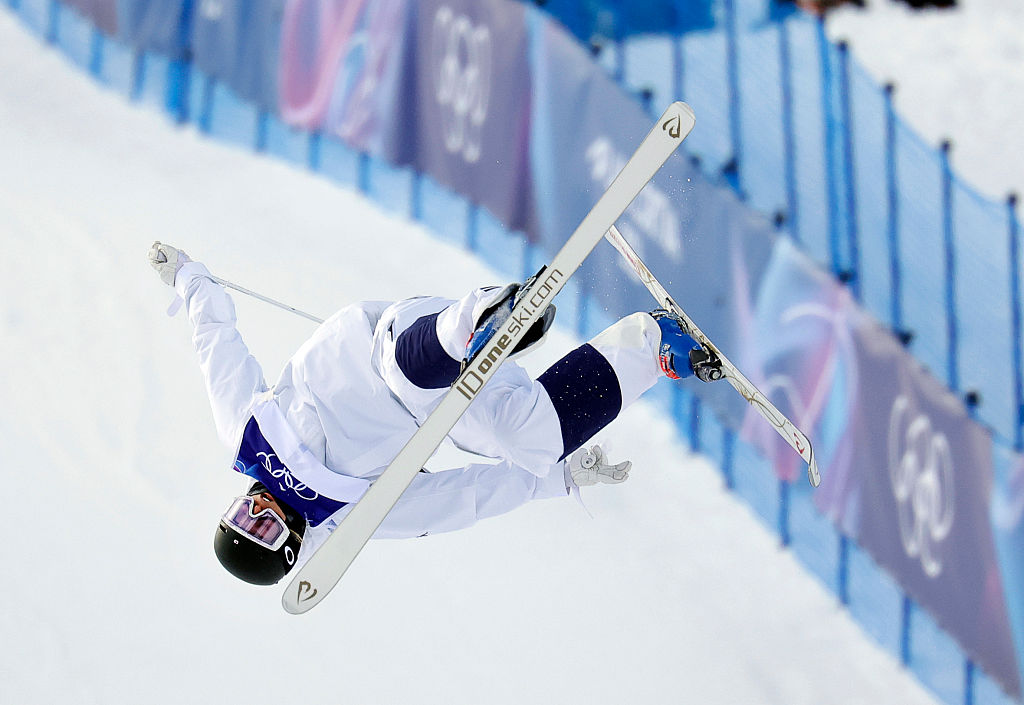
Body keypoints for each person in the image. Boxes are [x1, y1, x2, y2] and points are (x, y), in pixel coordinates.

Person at [148, 241, 722, 586]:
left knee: (405, 377)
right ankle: (654, 344)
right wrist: (562, 476)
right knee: (534, 441)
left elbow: (218, 348)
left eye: (243, 513)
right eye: (263, 528)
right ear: (291, 546)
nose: (259, 508)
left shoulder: (242, 435)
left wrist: (190, 278)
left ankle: (483, 317)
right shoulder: (352, 518)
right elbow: (462, 500)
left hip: (385, 346)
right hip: (444, 408)